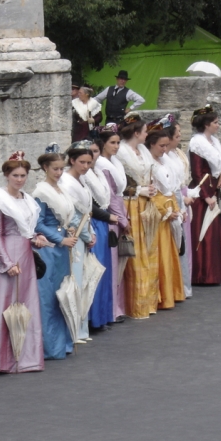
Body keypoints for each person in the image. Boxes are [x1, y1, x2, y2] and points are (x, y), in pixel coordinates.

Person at [0, 151, 48, 372]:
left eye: (23, 175)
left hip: (26, 255)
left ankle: (25, 357)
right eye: (15, 175)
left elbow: (28, 231)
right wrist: (7, 262)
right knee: (5, 304)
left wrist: (36, 238)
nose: (20, 179)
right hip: (8, 253)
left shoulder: (28, 200)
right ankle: (0, 360)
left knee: (26, 303)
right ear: (6, 175)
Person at [32, 144, 76, 360]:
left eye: (61, 168)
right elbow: (38, 224)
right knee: (48, 298)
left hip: (63, 250)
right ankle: (51, 347)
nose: (59, 173)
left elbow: (66, 216)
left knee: (63, 296)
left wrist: (71, 229)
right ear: (45, 168)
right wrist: (61, 238)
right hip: (50, 249)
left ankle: (64, 342)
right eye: (55, 169)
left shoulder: (62, 189)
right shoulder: (41, 192)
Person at [116, 113, 158, 318]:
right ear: (136, 133)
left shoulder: (142, 150)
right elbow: (118, 184)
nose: (147, 134)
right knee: (136, 252)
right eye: (144, 131)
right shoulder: (122, 152)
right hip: (131, 203)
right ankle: (135, 304)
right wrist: (137, 190)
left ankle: (149, 301)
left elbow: (149, 172)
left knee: (149, 249)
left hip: (145, 202)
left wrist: (151, 187)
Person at [145, 123, 185, 309]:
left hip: (170, 208)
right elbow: (152, 193)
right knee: (159, 253)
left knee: (170, 253)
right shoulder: (149, 164)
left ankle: (172, 291)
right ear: (151, 144)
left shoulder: (164, 161)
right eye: (161, 146)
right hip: (159, 213)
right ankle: (161, 295)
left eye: (166, 145)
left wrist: (177, 208)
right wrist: (165, 212)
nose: (164, 149)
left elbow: (171, 189)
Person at [59, 143, 96, 340]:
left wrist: (92, 232)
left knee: (83, 281)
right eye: (82, 162)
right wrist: (87, 236)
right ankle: (74, 330)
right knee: (75, 280)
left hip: (85, 230)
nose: (86, 166)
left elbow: (86, 212)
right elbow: (73, 215)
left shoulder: (82, 180)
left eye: (89, 162)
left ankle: (81, 327)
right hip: (75, 234)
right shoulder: (66, 182)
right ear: (72, 160)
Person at [188, 105, 221, 285]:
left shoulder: (214, 141)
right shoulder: (197, 143)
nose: (218, 125)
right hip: (202, 191)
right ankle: (202, 274)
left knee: (214, 232)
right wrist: (206, 196)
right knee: (204, 231)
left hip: (213, 188)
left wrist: (220, 177)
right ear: (206, 124)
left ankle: (214, 272)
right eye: (215, 122)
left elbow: (217, 166)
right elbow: (197, 172)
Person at [94, 126, 130, 321]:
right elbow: (110, 197)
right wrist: (122, 218)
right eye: (112, 143)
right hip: (111, 214)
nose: (116, 146)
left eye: (118, 142)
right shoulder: (102, 165)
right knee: (112, 263)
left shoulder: (113, 162)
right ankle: (112, 308)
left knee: (117, 262)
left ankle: (117, 305)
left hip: (119, 208)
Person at [83, 140, 116, 329]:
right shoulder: (84, 177)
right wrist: (108, 216)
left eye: (95, 151)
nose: (93, 156)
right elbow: (89, 204)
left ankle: (103, 315)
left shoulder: (98, 173)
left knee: (104, 269)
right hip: (95, 222)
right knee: (95, 270)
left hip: (103, 223)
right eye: (90, 152)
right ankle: (92, 317)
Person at [162, 122, 196, 298]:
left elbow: (180, 183)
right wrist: (181, 202)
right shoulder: (165, 159)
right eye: (177, 134)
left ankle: (184, 285)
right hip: (172, 202)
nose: (180, 136)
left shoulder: (176, 154)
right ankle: (178, 287)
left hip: (180, 198)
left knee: (184, 245)